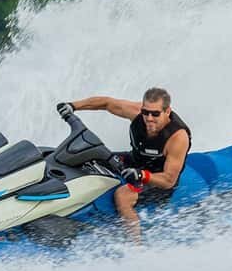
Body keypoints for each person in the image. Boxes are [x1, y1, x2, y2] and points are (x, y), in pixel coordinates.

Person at [56, 88, 191, 244]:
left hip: (157, 178)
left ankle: (135, 245)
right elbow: (107, 103)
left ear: (167, 111)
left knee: (122, 196)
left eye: (155, 114)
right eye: (145, 112)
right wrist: (73, 106)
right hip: (135, 161)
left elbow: (168, 181)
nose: (149, 118)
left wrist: (141, 175)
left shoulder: (177, 137)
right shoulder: (136, 113)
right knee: (89, 155)